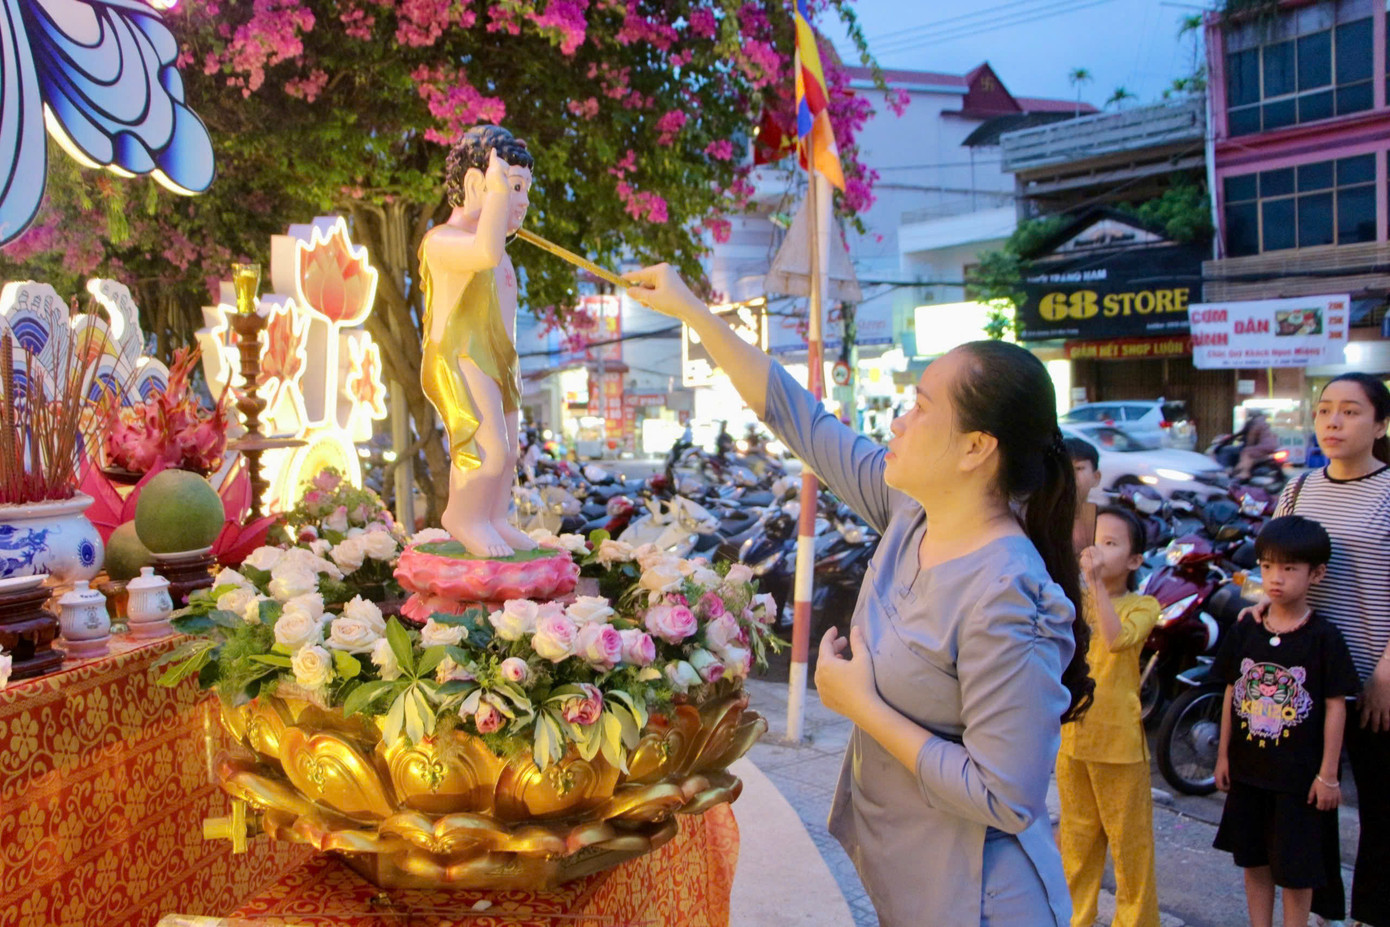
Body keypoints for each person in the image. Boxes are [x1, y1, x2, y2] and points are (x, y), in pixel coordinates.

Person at [626, 263, 1093, 927]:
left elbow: (1006, 796)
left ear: (976, 448)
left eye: (921, 406)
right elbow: (797, 416)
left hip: (980, 899)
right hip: (908, 881)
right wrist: (693, 312)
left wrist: (859, 706)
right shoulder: (910, 512)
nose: (899, 423)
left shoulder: (1008, 593)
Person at [1256, 373, 1390, 927]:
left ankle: (1375, 914)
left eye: (1351, 412)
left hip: (1374, 673)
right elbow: (1275, 562)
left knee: (1381, 806)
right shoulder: (1299, 488)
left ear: (1381, 425)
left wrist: (1385, 668)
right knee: (1311, 804)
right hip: (1304, 679)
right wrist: (1260, 610)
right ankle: (1327, 913)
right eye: (1325, 410)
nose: (1333, 422)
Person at [1214, 516, 1359, 927]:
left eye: (1289, 568)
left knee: (1297, 870)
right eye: (1267, 566)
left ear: (1317, 574)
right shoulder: (1247, 628)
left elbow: (1335, 706)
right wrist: (1223, 756)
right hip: (1248, 772)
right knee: (1253, 860)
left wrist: (1328, 775)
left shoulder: (1324, 637)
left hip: (1298, 780)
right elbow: (1231, 691)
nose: (1276, 578)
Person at [418, 124, 538, 557]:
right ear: (475, 184)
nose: (521, 202)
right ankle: (464, 516)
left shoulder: (499, 252)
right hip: (459, 355)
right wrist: (497, 190)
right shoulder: (443, 242)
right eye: (514, 188)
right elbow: (484, 253)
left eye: (525, 191)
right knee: (485, 450)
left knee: (507, 455)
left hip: (496, 358)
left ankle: (492, 517)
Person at [1058, 506, 1161, 927]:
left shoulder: (1144, 605)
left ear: (1135, 561)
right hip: (1073, 739)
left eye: (1112, 543)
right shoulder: (1073, 597)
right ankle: (1074, 919)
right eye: (1096, 540)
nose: (1098, 550)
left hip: (1119, 746)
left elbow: (1117, 640)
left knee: (1130, 849)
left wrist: (1096, 583)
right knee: (1076, 845)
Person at [1065, 436, 1103, 556]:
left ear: (1096, 477)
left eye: (1078, 468)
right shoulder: (1036, 519)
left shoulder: (1104, 521)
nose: (1070, 476)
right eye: (1064, 468)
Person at [1235, 410, 1279, 479]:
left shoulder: (1256, 422)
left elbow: (1252, 436)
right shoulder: (1264, 422)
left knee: (1246, 451)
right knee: (1251, 456)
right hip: (1273, 445)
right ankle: (1239, 469)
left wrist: (1249, 445)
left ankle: (1245, 472)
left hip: (1266, 445)